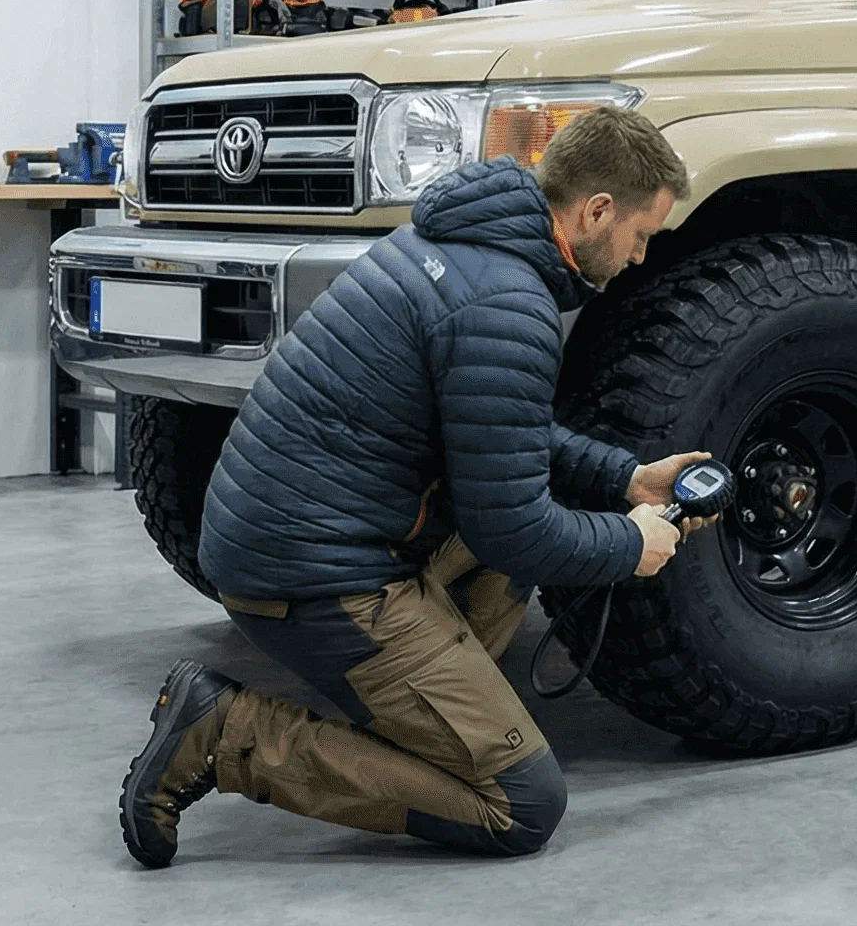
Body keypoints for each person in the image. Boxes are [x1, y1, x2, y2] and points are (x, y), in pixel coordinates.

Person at [119, 105, 704, 864]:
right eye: (640, 235)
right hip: (310, 578)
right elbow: (511, 527)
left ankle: (431, 714)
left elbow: (501, 429)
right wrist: (631, 545)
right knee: (521, 803)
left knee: (514, 539)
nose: (637, 258)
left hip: (292, 537)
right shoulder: (507, 302)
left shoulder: (462, 244)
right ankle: (225, 733)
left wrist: (624, 478)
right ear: (595, 211)